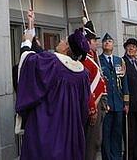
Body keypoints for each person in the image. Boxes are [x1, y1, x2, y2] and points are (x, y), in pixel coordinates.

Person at [15, 11, 91, 160]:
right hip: (70, 133)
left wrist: (26, 42)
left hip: (46, 128)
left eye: (65, 40)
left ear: (67, 48)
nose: (61, 40)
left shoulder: (52, 63)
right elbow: (83, 109)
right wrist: (31, 26)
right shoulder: (83, 74)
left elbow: (29, 61)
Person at [99, 33, 129, 160]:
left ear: (113, 44)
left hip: (118, 103)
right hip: (106, 104)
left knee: (117, 134)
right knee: (106, 134)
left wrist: (126, 103)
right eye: (105, 41)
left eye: (110, 41)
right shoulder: (98, 61)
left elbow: (124, 82)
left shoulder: (119, 61)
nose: (107, 43)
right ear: (102, 44)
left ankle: (116, 157)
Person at [82, 19, 107, 160]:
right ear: (87, 43)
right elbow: (89, 86)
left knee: (97, 141)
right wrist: (93, 108)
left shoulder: (92, 58)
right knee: (92, 142)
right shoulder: (86, 60)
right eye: (94, 41)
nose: (96, 43)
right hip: (93, 105)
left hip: (99, 104)